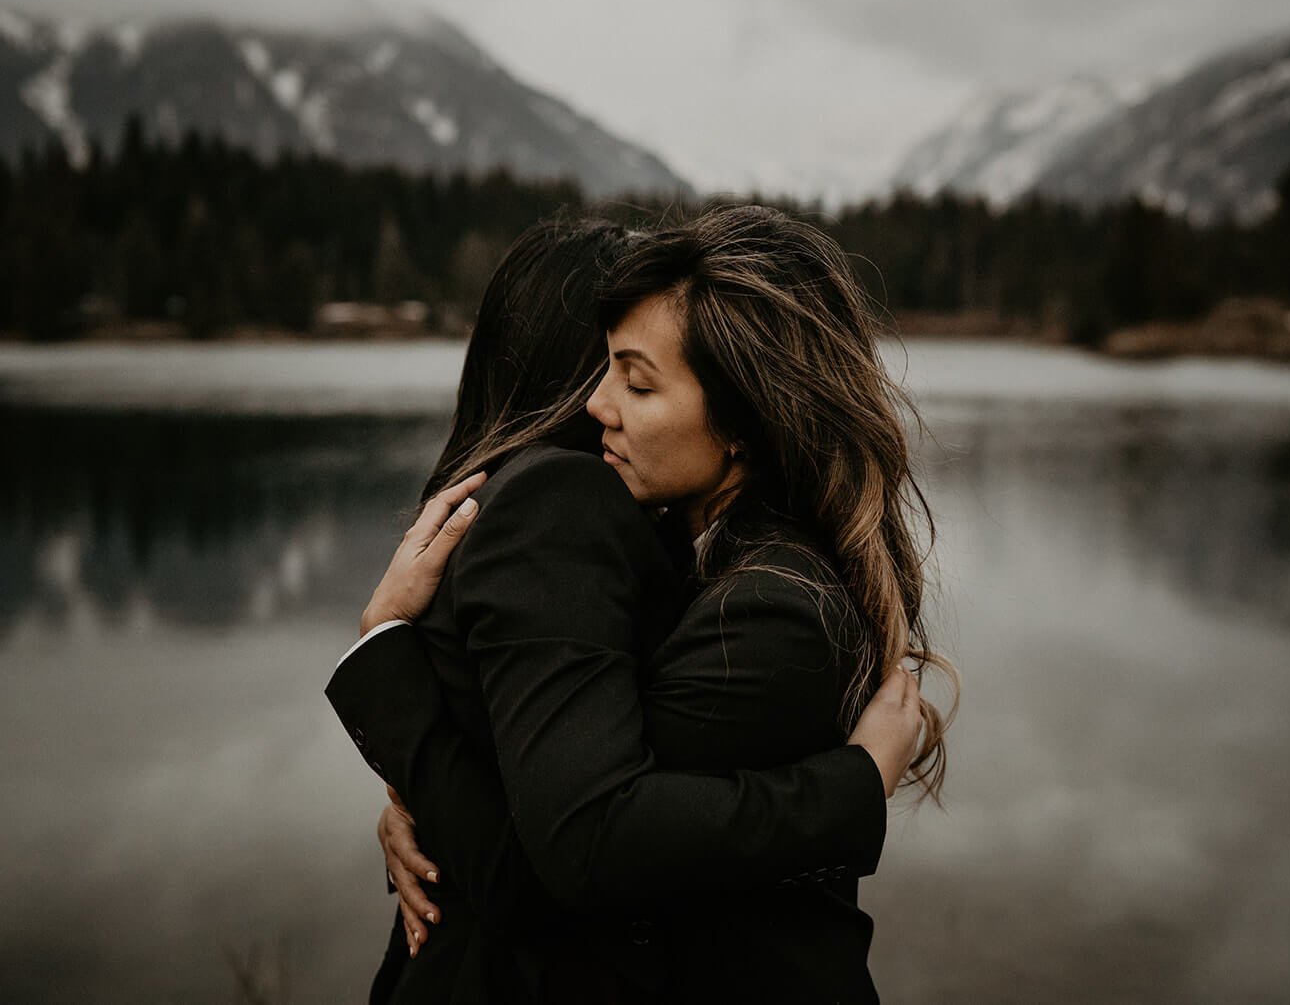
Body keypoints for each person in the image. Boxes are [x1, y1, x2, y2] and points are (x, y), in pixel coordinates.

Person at [327, 210, 946, 1003]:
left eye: (635, 374)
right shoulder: (651, 538)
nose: (599, 402)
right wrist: (410, 790)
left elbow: (562, 855)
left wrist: (390, 674)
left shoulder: (769, 609)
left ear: (741, 419)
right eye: (606, 362)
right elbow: (559, 800)